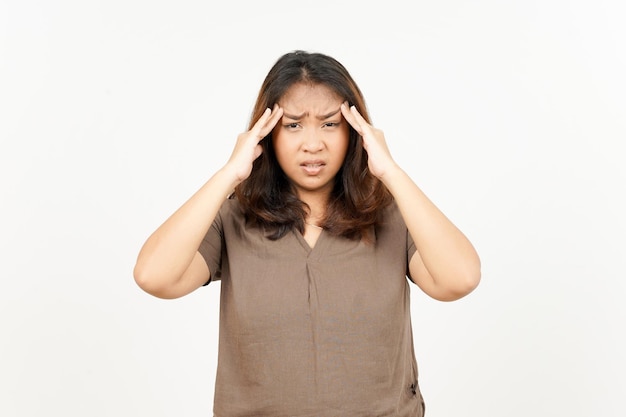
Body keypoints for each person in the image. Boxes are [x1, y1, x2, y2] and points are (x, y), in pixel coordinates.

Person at [133, 50, 481, 417]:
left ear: (355, 131)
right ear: (265, 133)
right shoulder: (234, 217)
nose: (312, 144)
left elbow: (459, 279)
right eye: (294, 125)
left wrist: (390, 171)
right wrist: (229, 174)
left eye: (330, 124)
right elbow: (154, 277)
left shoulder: (392, 215)